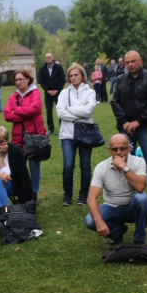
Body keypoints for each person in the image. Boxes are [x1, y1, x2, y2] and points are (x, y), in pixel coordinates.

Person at [111, 50, 147, 206]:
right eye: (127, 62)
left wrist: (138, 121)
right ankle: (127, 193)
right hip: (126, 128)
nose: (130, 65)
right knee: (125, 161)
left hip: (146, 126)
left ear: (140, 60)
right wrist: (124, 122)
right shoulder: (121, 79)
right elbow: (115, 102)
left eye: (133, 61)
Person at [84, 134, 147, 246]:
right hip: (112, 206)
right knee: (90, 221)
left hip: (133, 206)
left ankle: (139, 240)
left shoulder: (139, 162)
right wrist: (99, 222)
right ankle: (117, 233)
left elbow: (140, 187)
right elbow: (91, 198)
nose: (119, 152)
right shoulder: (101, 167)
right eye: (115, 149)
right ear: (109, 150)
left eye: (123, 148)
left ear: (129, 148)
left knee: (142, 198)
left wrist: (124, 167)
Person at [56, 63, 96, 206]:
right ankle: (67, 195)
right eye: (71, 76)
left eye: (76, 75)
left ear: (82, 75)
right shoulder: (63, 93)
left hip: (85, 134)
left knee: (85, 165)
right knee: (68, 165)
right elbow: (60, 112)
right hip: (67, 134)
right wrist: (79, 114)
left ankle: (83, 196)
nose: (73, 78)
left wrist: (70, 109)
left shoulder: (90, 92)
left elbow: (88, 111)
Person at [4, 70, 46, 201]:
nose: (18, 82)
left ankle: (33, 195)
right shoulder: (13, 97)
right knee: (18, 168)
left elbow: (36, 108)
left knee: (34, 168)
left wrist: (16, 110)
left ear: (28, 79)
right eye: (16, 80)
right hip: (18, 138)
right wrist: (26, 114)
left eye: (21, 79)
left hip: (35, 138)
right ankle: (22, 193)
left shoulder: (35, 93)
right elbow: (7, 115)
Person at [38, 53, 66, 134]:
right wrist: (47, 90)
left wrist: (58, 90)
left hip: (59, 92)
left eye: (49, 57)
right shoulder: (43, 69)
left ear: (53, 57)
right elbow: (41, 81)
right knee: (49, 111)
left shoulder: (59, 68)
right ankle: (50, 128)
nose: (48, 59)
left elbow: (62, 79)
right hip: (48, 93)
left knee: (61, 110)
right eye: (46, 57)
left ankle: (62, 127)